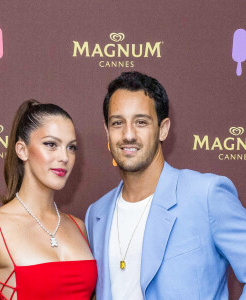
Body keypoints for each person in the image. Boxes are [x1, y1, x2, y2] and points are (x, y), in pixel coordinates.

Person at [85, 71, 246, 300]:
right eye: (118, 123)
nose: (128, 134)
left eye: (141, 122)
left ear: (163, 128)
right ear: (107, 131)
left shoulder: (206, 195)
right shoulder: (96, 214)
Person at [0, 100, 97, 300]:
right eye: (51, 144)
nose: (64, 157)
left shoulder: (78, 227)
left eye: (71, 147)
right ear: (22, 150)